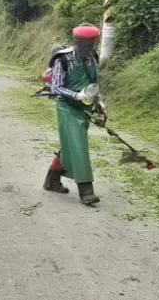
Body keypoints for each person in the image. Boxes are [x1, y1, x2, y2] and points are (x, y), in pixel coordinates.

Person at [45, 24, 105, 205]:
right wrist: (76, 95)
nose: (89, 46)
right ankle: (86, 190)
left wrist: (100, 104)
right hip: (67, 107)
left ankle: (52, 179)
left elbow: (94, 84)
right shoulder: (62, 60)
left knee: (70, 144)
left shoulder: (93, 57)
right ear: (76, 41)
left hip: (85, 108)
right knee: (78, 144)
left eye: (92, 42)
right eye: (85, 43)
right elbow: (56, 87)